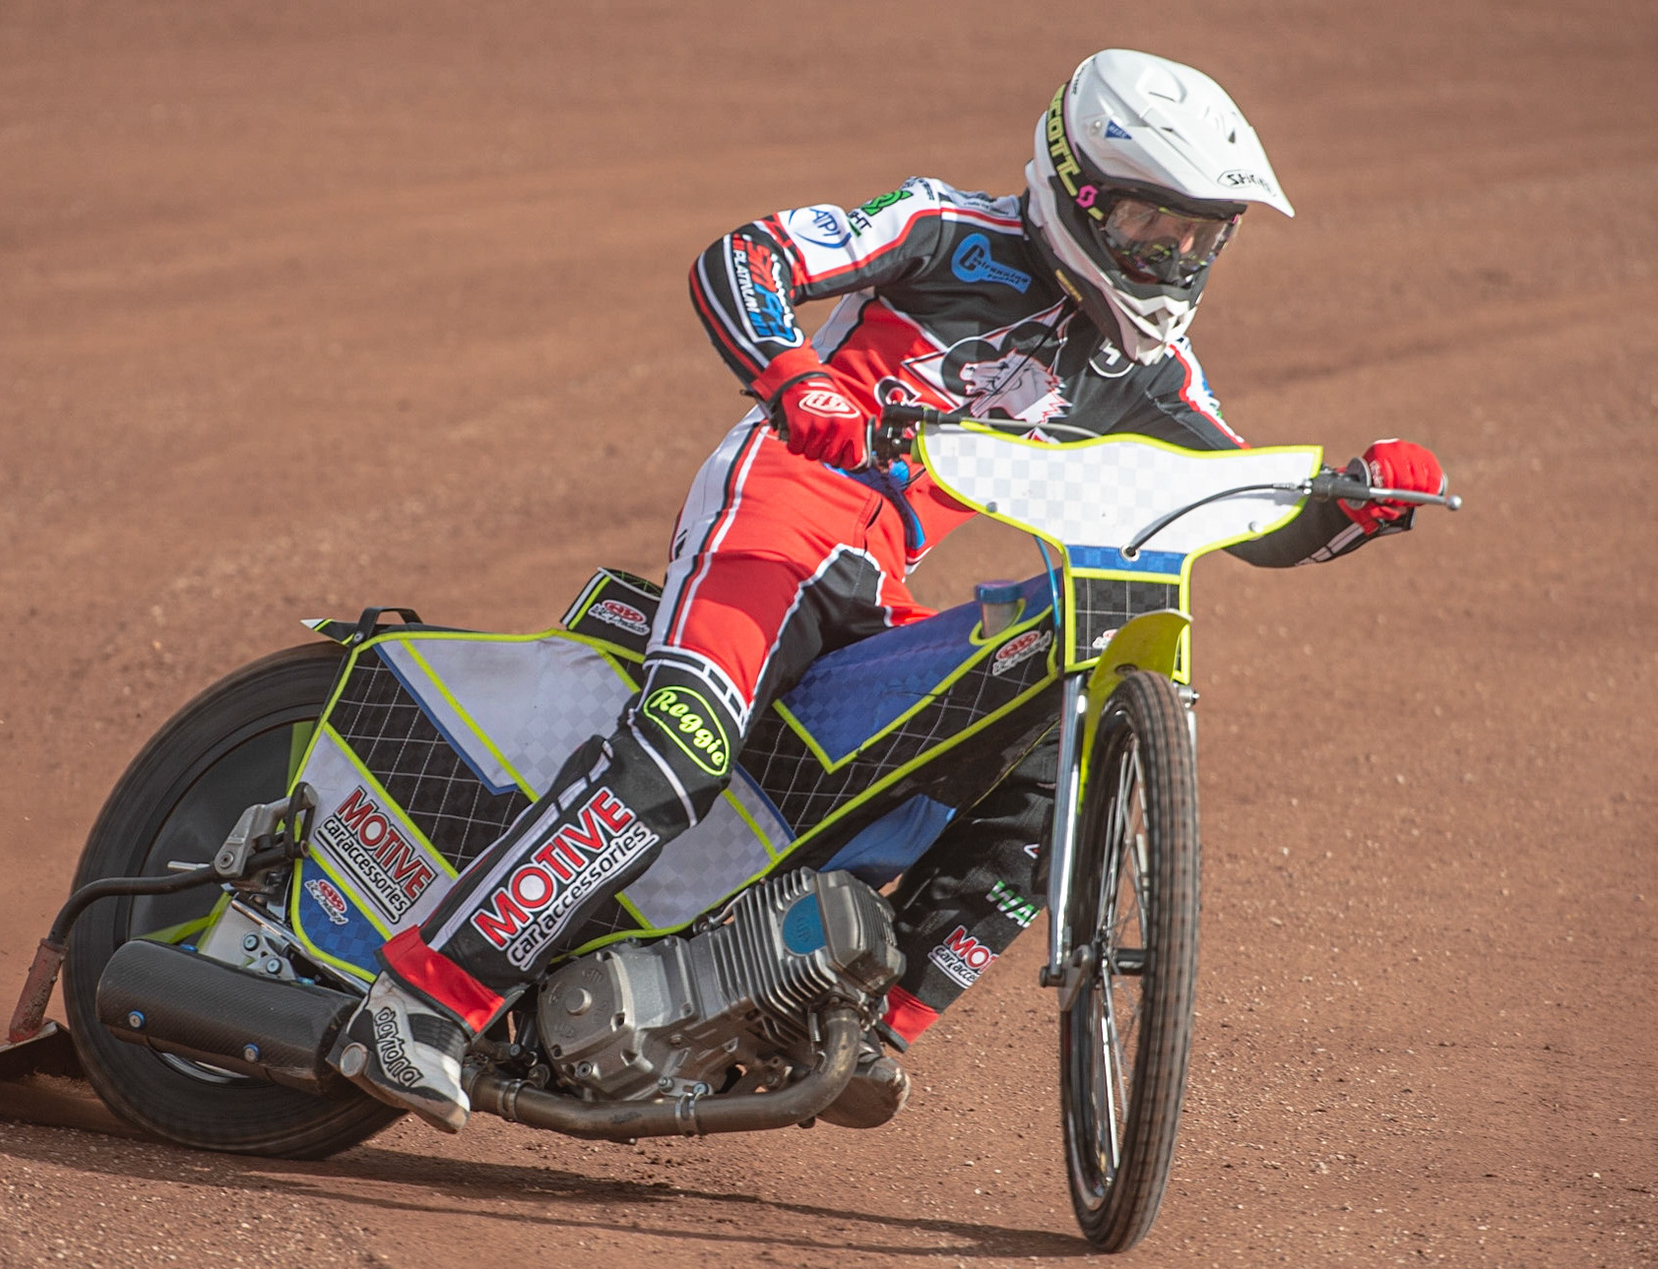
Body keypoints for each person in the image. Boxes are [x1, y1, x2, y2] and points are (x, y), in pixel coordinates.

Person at [327, 48, 1446, 1133]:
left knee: (1048, 745)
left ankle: (868, 1025)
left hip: (875, 578)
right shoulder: (945, 229)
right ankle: (420, 997)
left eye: (1202, 233)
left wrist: (1356, 504)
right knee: (683, 741)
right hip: (776, 509)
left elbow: (1244, 513)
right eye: (1154, 222)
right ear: (1078, 190)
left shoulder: (1147, 372)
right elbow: (742, 259)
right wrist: (794, 375)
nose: (1175, 253)